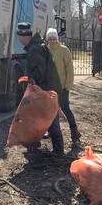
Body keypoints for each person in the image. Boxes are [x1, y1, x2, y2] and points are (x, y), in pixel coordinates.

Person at [16, 22, 65, 155]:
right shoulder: (38, 45)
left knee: (47, 119)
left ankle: (57, 151)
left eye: (19, 36)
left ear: (22, 36)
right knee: (44, 117)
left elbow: (38, 69)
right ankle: (52, 149)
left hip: (45, 90)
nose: (19, 40)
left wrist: (32, 84)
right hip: (49, 88)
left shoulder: (35, 49)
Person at [45, 28, 82, 143]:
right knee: (50, 110)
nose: (52, 41)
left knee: (65, 108)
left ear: (57, 39)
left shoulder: (64, 50)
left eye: (54, 39)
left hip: (62, 86)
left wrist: (68, 84)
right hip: (50, 86)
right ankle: (52, 130)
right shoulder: (46, 50)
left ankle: (74, 131)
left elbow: (69, 68)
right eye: (50, 39)